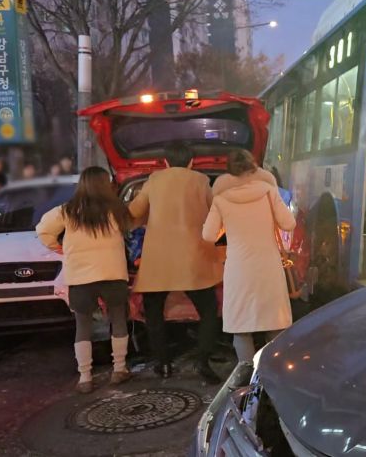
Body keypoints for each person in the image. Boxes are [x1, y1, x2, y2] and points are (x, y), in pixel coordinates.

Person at [128, 143, 223, 383]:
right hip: (193, 256)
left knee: (154, 313)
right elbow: (216, 211)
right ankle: (202, 361)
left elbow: (135, 211)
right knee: (209, 311)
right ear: (191, 162)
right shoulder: (201, 181)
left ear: (166, 162)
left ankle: (164, 364)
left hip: (158, 258)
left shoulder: (154, 180)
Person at [36, 167, 132, 393]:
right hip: (112, 273)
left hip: (80, 277)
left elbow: (43, 230)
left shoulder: (67, 211)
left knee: (83, 326)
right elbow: (132, 226)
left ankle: (85, 377)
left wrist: (57, 247)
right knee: (117, 320)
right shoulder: (116, 210)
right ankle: (119, 369)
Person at [202, 150, 296, 363]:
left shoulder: (221, 199)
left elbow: (208, 235)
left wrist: (225, 226)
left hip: (239, 269)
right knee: (274, 326)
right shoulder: (268, 192)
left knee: (242, 329)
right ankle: (273, 375)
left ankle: (247, 378)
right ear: (254, 167)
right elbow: (289, 223)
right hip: (268, 266)